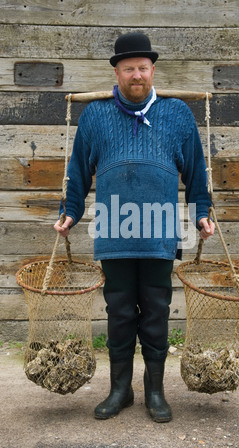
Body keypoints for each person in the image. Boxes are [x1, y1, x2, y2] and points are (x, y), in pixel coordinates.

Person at [54, 32, 215, 423]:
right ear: (117, 71)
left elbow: (195, 171)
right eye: (129, 68)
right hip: (113, 232)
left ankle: (155, 392)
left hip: (160, 233)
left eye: (143, 68)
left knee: (156, 312)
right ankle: (120, 390)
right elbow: (77, 171)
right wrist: (70, 212)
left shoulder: (177, 114)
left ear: (153, 70)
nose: (137, 75)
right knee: (120, 312)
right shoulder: (95, 115)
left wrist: (202, 212)